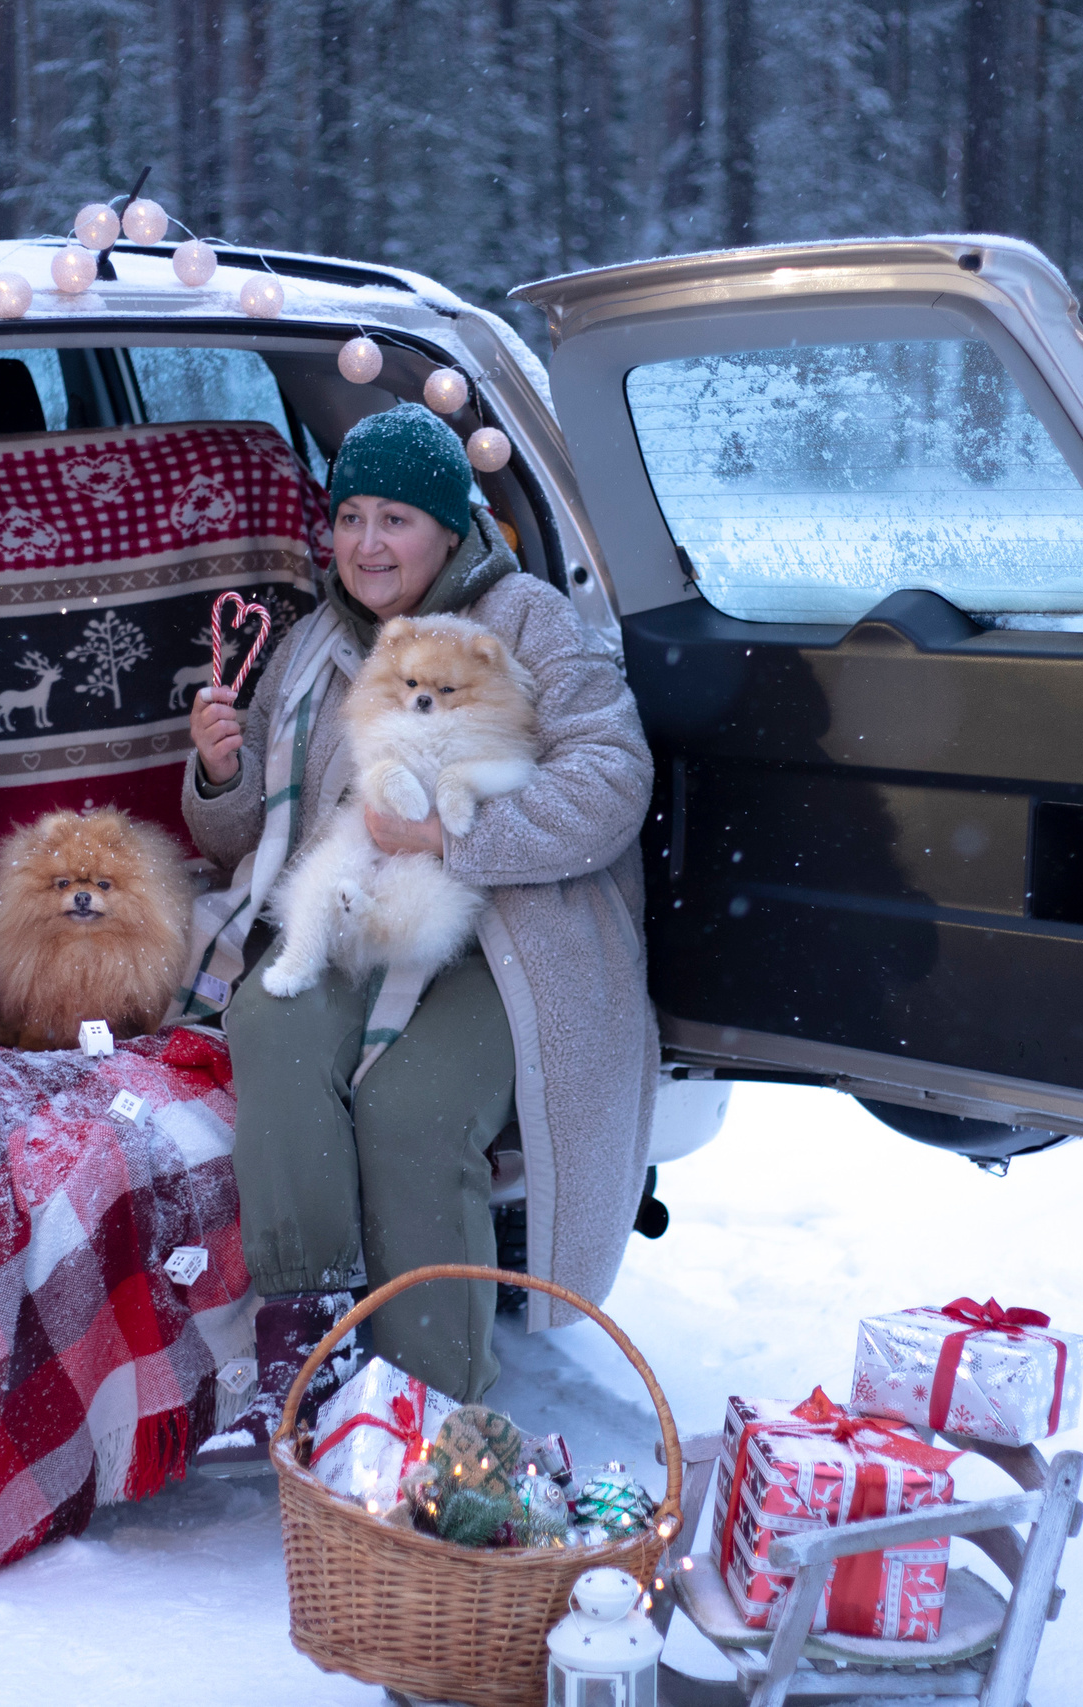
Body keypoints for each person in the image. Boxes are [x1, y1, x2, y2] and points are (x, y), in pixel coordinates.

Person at [183, 401, 656, 1470]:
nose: (364, 544)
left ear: (450, 529)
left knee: (411, 1108)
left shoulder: (525, 620)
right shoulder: (311, 643)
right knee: (274, 1019)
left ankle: (435, 1417)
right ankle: (307, 1344)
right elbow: (240, 836)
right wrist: (219, 768)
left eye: (394, 517)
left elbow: (613, 780)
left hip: (509, 933)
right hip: (364, 912)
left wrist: (456, 832)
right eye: (348, 516)